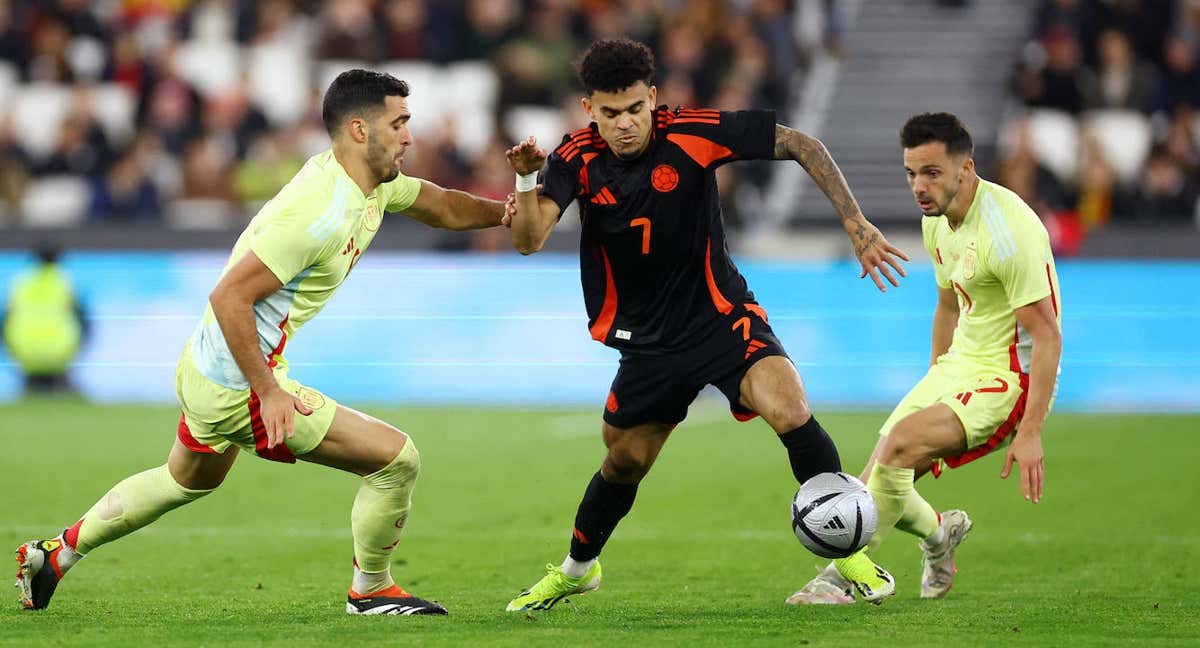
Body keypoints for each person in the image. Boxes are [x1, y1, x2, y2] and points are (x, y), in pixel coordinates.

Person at [14, 69, 510, 615]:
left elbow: (441, 205)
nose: (410, 136)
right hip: (240, 382)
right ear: (359, 129)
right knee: (396, 459)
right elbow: (230, 296)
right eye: (399, 123)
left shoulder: (372, 185)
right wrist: (268, 391)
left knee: (184, 481)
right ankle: (370, 591)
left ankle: (55, 554)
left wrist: (505, 212)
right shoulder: (319, 211)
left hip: (206, 366)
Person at [501, 39, 910, 611]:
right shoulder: (573, 158)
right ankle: (577, 570)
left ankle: (848, 555)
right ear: (589, 108)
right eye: (610, 113)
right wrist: (525, 180)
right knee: (623, 463)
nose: (624, 125)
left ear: (653, 99)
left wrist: (856, 222)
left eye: (635, 110)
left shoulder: (692, 131)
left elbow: (800, 143)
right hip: (647, 344)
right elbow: (528, 240)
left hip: (720, 318)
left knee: (790, 409)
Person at [788, 112, 1062, 605]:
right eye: (911, 173)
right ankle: (939, 535)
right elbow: (947, 305)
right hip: (959, 366)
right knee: (884, 469)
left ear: (965, 168)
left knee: (897, 447)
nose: (918, 185)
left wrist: (1032, 430)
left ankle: (839, 579)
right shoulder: (936, 221)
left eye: (931, 172)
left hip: (1008, 379)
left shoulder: (1007, 230)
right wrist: (937, 376)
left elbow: (1047, 336)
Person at [1, 242, 89, 394]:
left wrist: (10, 350)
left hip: (24, 351)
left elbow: (5, 319)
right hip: (61, 351)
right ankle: (63, 385)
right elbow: (84, 321)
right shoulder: (65, 280)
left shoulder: (20, 282)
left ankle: (31, 387)